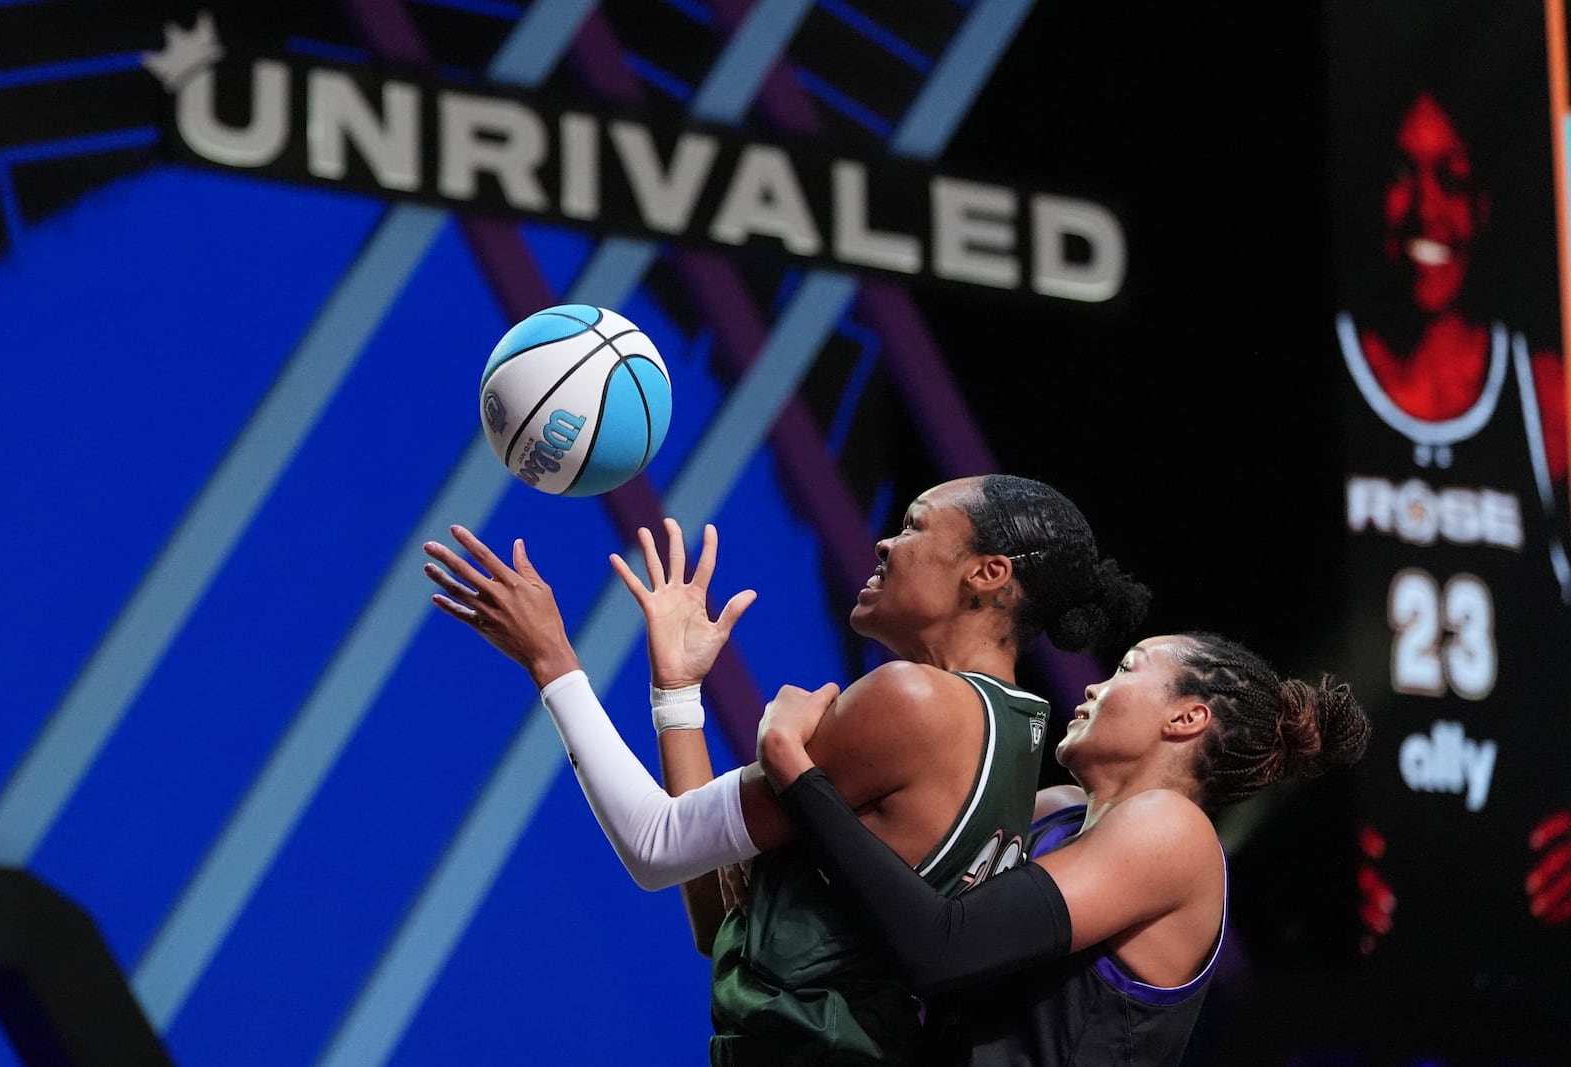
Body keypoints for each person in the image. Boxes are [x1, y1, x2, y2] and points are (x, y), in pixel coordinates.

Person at [422, 474, 1151, 1065]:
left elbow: (653, 847)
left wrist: (552, 660)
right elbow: (718, 921)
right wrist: (677, 695)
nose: (885, 543)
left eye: (916, 526)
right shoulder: (1013, 729)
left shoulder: (914, 699)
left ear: (987, 575)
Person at [750, 631, 1371, 1066]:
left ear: (1187, 719)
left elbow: (940, 947)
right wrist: (678, 696)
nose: (1096, 686)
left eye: (1127, 668)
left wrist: (797, 773)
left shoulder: (1174, 832)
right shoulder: (1054, 811)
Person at [1330, 72, 1571, 1056]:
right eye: (1400, 174)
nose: (1424, 207)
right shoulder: (1333, 370)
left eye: (1450, 177)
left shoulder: (1543, 393)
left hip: (1524, 885)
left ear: (1480, 205)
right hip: (1363, 891)